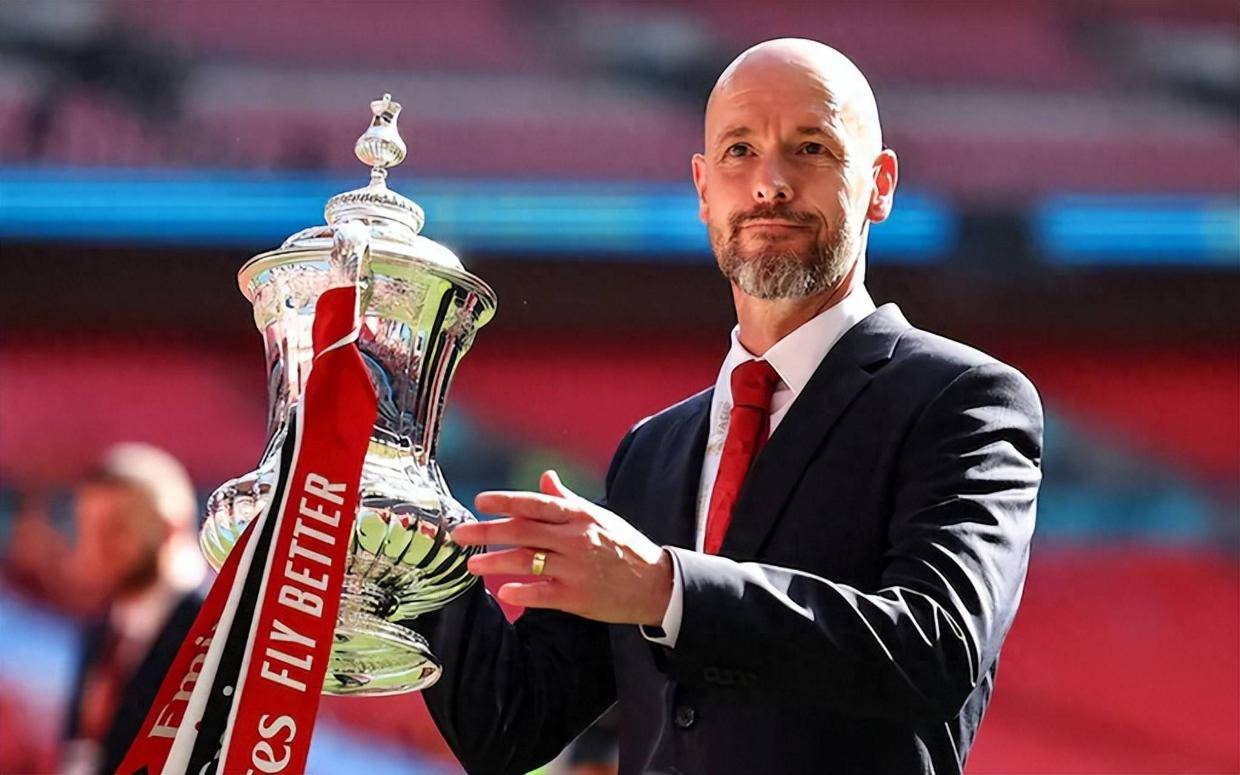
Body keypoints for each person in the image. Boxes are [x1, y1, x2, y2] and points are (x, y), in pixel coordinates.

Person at [410, 38, 1043, 774]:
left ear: (879, 184)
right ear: (704, 188)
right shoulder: (653, 451)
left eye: (810, 148)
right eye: (740, 150)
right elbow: (509, 723)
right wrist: (412, 518)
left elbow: (935, 646)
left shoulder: (963, 402)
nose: (770, 183)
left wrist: (667, 589)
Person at [60, 443, 206, 775]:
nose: (94, 546)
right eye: (87, 527)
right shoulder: (102, 629)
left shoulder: (212, 629)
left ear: (172, 527)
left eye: (115, 529)